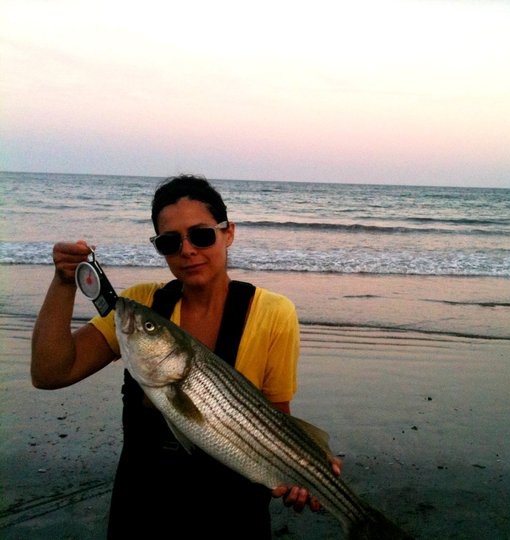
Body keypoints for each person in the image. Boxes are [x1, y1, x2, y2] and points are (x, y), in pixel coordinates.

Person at [31, 174, 340, 538]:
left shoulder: (273, 313)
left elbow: (276, 421)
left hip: (233, 513)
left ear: (229, 233)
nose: (187, 250)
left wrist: (302, 469)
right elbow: (50, 372)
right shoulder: (143, 305)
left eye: (202, 234)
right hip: (140, 510)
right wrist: (64, 282)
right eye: (169, 241)